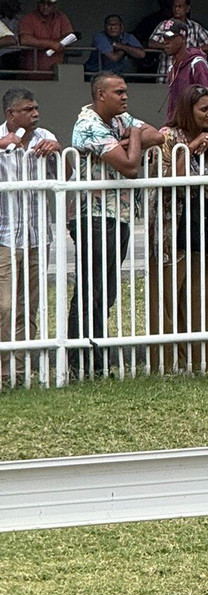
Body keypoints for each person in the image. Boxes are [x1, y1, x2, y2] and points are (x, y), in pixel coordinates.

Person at [68, 72, 165, 378]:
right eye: (119, 92)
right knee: (91, 290)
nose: (125, 97)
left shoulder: (117, 121)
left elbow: (159, 135)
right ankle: (84, 360)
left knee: (106, 290)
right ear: (101, 95)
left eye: (125, 92)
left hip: (117, 215)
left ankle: (92, 356)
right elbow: (130, 166)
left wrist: (126, 140)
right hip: (93, 216)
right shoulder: (89, 125)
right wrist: (133, 138)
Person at [152, 84, 208, 372]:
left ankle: (202, 362)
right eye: (204, 109)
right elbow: (169, 177)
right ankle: (167, 364)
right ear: (188, 110)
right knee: (168, 295)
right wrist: (192, 149)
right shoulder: (168, 136)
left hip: (206, 226)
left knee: (201, 296)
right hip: (173, 228)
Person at [0, 88, 59, 386]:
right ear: (11, 114)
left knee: (29, 306)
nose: (35, 114)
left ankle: (17, 374)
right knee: (6, 306)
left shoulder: (43, 137)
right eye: (28, 109)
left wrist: (58, 152)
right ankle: (3, 370)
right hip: (4, 237)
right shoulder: (1, 139)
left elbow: (64, 177)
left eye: (36, 108)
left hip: (37, 237)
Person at [161, 19, 208, 124]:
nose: (165, 41)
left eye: (170, 37)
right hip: (176, 125)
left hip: (195, 127)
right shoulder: (171, 68)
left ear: (182, 38)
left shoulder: (197, 64)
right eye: (164, 37)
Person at [148, 0, 208, 82]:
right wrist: (167, 47)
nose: (177, 9)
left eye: (180, 6)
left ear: (187, 9)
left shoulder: (195, 27)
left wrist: (193, 50)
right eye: (175, 6)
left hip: (188, 79)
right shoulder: (165, 25)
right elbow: (151, 43)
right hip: (166, 77)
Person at [17, 0, 75, 80]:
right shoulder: (29, 18)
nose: (45, 7)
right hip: (31, 73)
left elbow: (70, 36)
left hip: (56, 73)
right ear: (37, 3)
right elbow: (24, 40)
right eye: (42, 3)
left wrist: (57, 43)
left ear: (56, 5)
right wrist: (51, 44)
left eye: (49, 4)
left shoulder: (62, 17)